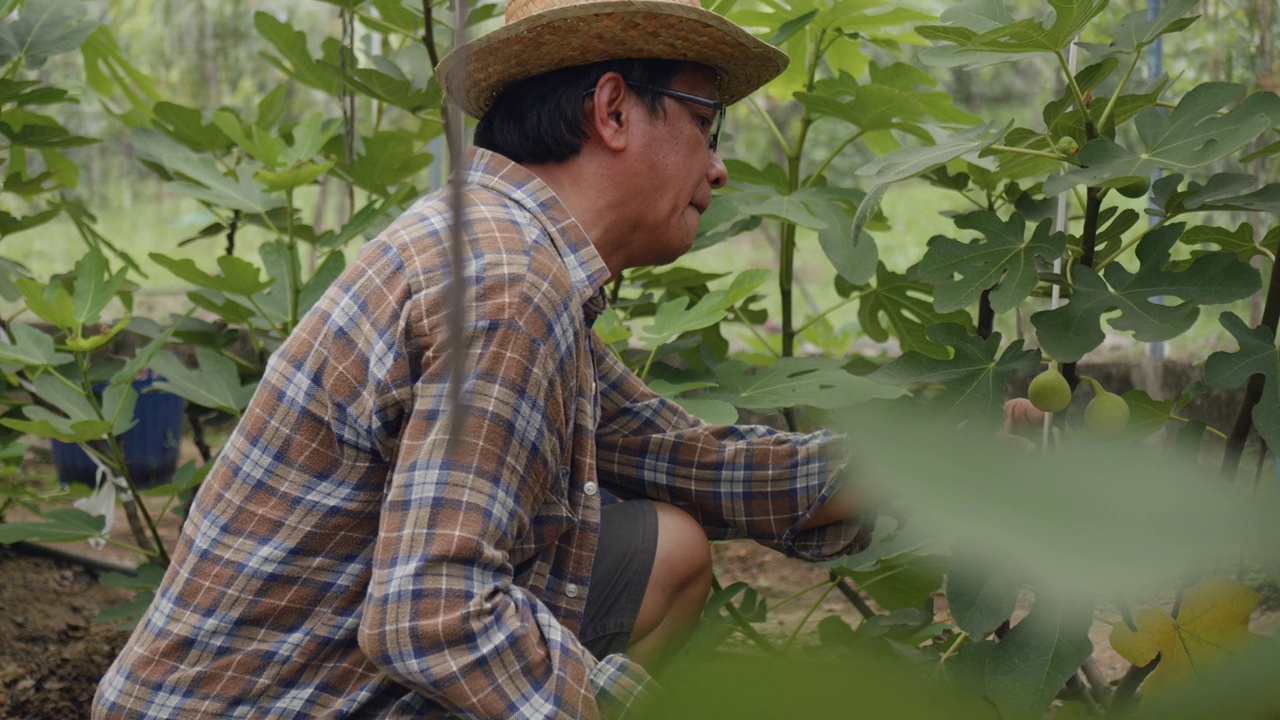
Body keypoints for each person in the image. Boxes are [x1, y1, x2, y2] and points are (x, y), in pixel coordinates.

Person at [93, 0, 873, 716]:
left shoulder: (497, 246)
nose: (718, 166)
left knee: (666, 546)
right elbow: (432, 616)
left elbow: (683, 457)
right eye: (710, 124)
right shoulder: (507, 282)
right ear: (612, 111)